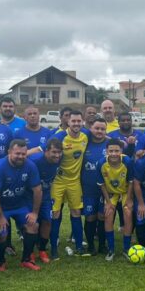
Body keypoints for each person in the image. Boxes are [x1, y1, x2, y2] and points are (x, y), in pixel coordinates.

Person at [0, 140, 43, 269]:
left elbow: (38, 190)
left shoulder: (30, 166)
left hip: (19, 205)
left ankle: (26, 259)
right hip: (2, 207)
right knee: (2, 233)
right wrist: (0, 216)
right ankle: (1, 261)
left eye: (23, 154)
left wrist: (34, 213)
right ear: (9, 152)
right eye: (17, 153)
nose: (21, 156)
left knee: (33, 225)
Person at [50, 111, 89, 257]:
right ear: (68, 122)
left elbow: (102, 137)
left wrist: (121, 142)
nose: (77, 124)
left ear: (82, 121)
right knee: (55, 213)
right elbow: (45, 152)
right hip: (58, 181)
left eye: (79, 121)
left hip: (74, 182)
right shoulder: (59, 137)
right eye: (74, 121)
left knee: (76, 212)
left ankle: (79, 246)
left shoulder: (86, 135)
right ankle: (53, 248)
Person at [97, 139, 134, 260]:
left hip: (124, 192)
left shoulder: (127, 161)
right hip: (111, 193)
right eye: (111, 151)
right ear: (106, 151)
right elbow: (101, 184)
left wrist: (129, 199)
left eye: (116, 151)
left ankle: (126, 249)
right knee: (108, 214)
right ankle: (111, 250)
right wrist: (108, 202)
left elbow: (131, 182)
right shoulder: (101, 163)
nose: (113, 153)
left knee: (128, 213)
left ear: (121, 151)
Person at [30, 138, 63, 262]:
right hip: (31, 196)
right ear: (46, 151)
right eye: (54, 152)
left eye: (59, 152)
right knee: (32, 223)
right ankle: (30, 251)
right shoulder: (35, 161)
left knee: (47, 221)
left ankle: (42, 249)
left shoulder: (60, 159)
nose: (57, 155)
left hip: (46, 196)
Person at [81, 118, 109, 255]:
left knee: (102, 216)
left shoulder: (110, 144)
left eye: (102, 129)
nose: (99, 131)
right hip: (88, 189)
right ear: (91, 129)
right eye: (97, 128)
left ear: (106, 130)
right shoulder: (84, 143)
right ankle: (91, 245)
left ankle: (102, 245)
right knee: (90, 217)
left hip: (105, 190)